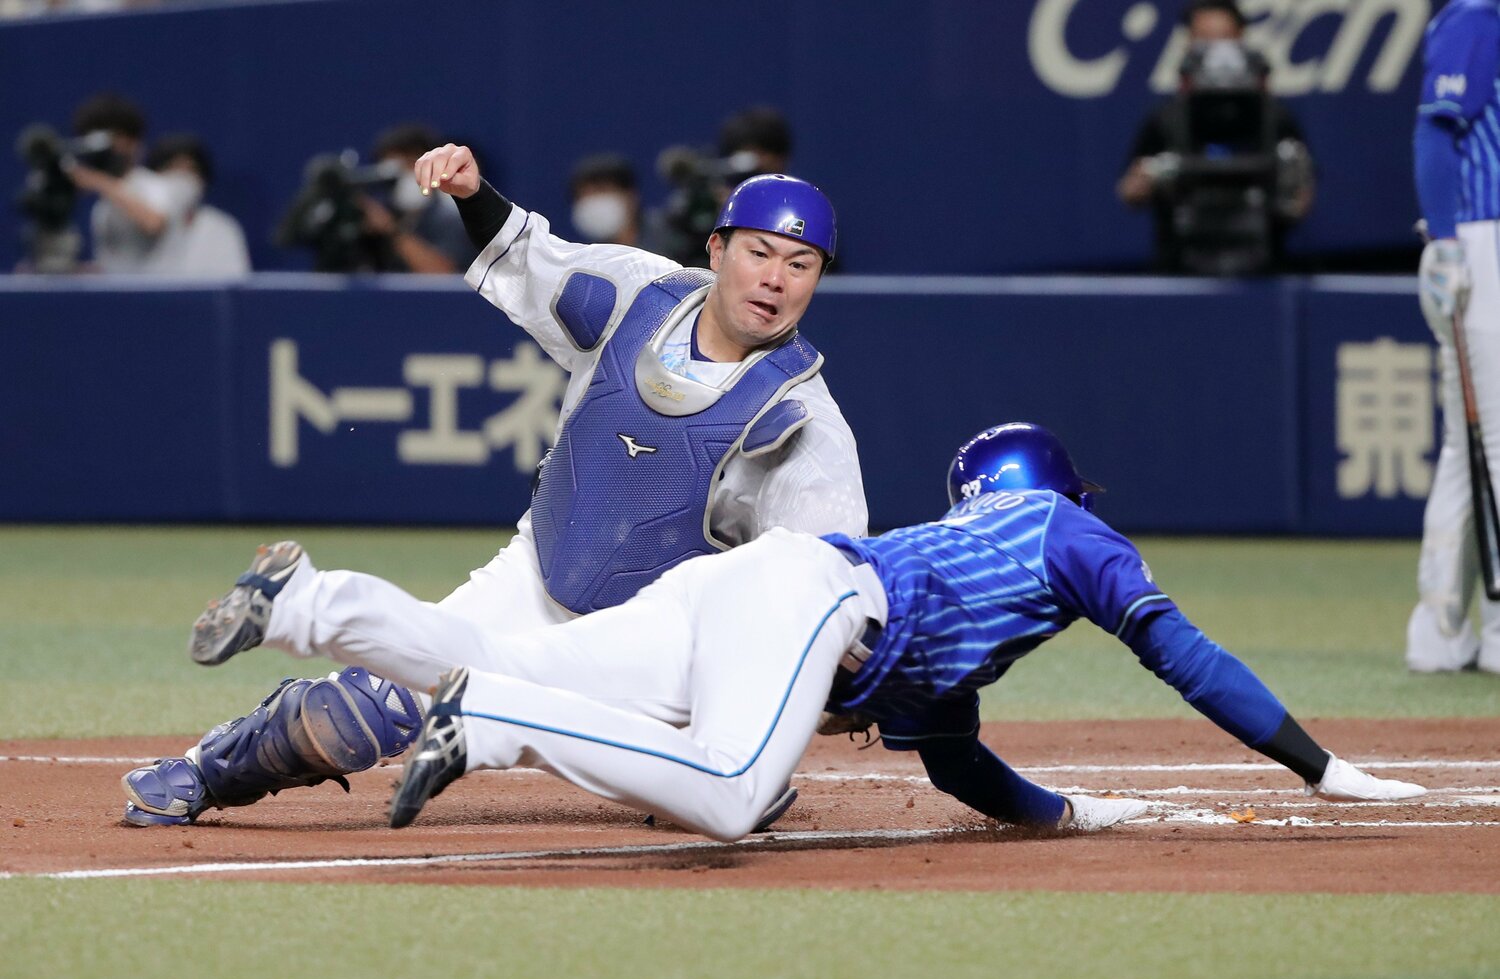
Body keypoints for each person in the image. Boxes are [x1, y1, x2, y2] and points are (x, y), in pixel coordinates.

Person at [120, 151, 867, 828]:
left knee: (714, 800)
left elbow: (821, 588)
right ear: (717, 249)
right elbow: (530, 257)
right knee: (362, 715)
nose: (774, 278)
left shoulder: (803, 421)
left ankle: (714, 759)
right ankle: (202, 771)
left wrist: (835, 684)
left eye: (800, 265)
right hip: (538, 576)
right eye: (760, 252)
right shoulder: (637, 295)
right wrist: (472, 193)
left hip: (651, 653)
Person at [388, 423, 1427, 839]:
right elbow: (1184, 656)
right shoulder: (1063, 529)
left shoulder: (950, 590)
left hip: (745, 593)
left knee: (513, 655)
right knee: (733, 795)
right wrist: (1318, 767)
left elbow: (958, 767)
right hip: (807, 597)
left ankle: (312, 608)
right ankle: (485, 725)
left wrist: (1068, 814)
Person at [1407, 0, 1500, 674]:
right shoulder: (1480, 16)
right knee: (1494, 439)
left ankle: (1439, 631)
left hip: (1476, 238)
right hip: (1476, 238)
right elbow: (1435, 131)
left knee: (1466, 447)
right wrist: (1444, 240)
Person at [1116, 0, 1314, 274]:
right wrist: (1149, 179)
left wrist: (1291, 187)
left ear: (1241, 40)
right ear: (1187, 43)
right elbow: (1129, 191)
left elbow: (1300, 200)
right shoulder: (1165, 120)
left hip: (1261, 274)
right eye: (1204, 40)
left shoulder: (1275, 119)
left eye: (1223, 40)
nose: (1214, 52)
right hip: (1181, 271)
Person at [64, 93, 201, 274]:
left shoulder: (161, 184)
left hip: (160, 297)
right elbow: (117, 265)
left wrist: (98, 181)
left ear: (132, 142)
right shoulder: (104, 205)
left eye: (114, 138)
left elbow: (154, 222)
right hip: (121, 299)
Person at [358, 124, 475, 273]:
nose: (407, 174)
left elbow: (443, 274)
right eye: (395, 169)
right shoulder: (376, 216)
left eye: (412, 164)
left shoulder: (453, 219)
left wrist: (391, 230)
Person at [144, 134, 251, 277]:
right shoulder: (132, 221)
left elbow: (236, 284)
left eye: (190, 170)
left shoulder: (223, 228)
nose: (182, 178)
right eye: (172, 169)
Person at [568, 152, 644, 247]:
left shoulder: (666, 236)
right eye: (584, 195)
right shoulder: (585, 258)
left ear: (630, 195)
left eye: (601, 190)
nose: (593, 202)